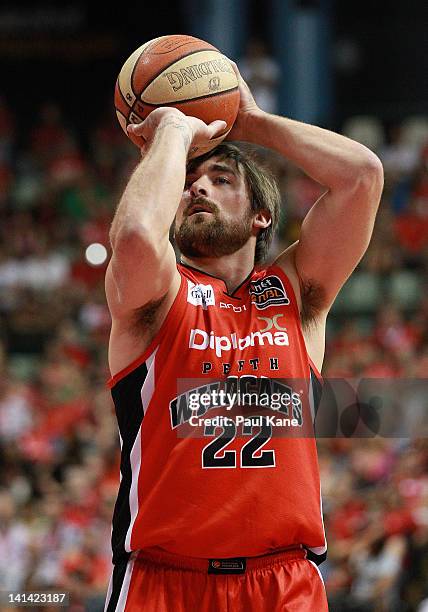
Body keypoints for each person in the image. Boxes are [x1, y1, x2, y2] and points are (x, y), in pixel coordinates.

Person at [103, 62, 383, 611]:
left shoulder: (296, 294)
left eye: (220, 179)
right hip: (166, 581)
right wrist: (174, 132)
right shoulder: (156, 298)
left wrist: (248, 120)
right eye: (186, 184)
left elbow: (362, 176)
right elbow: (136, 235)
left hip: (283, 581)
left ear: (261, 215)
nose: (198, 187)